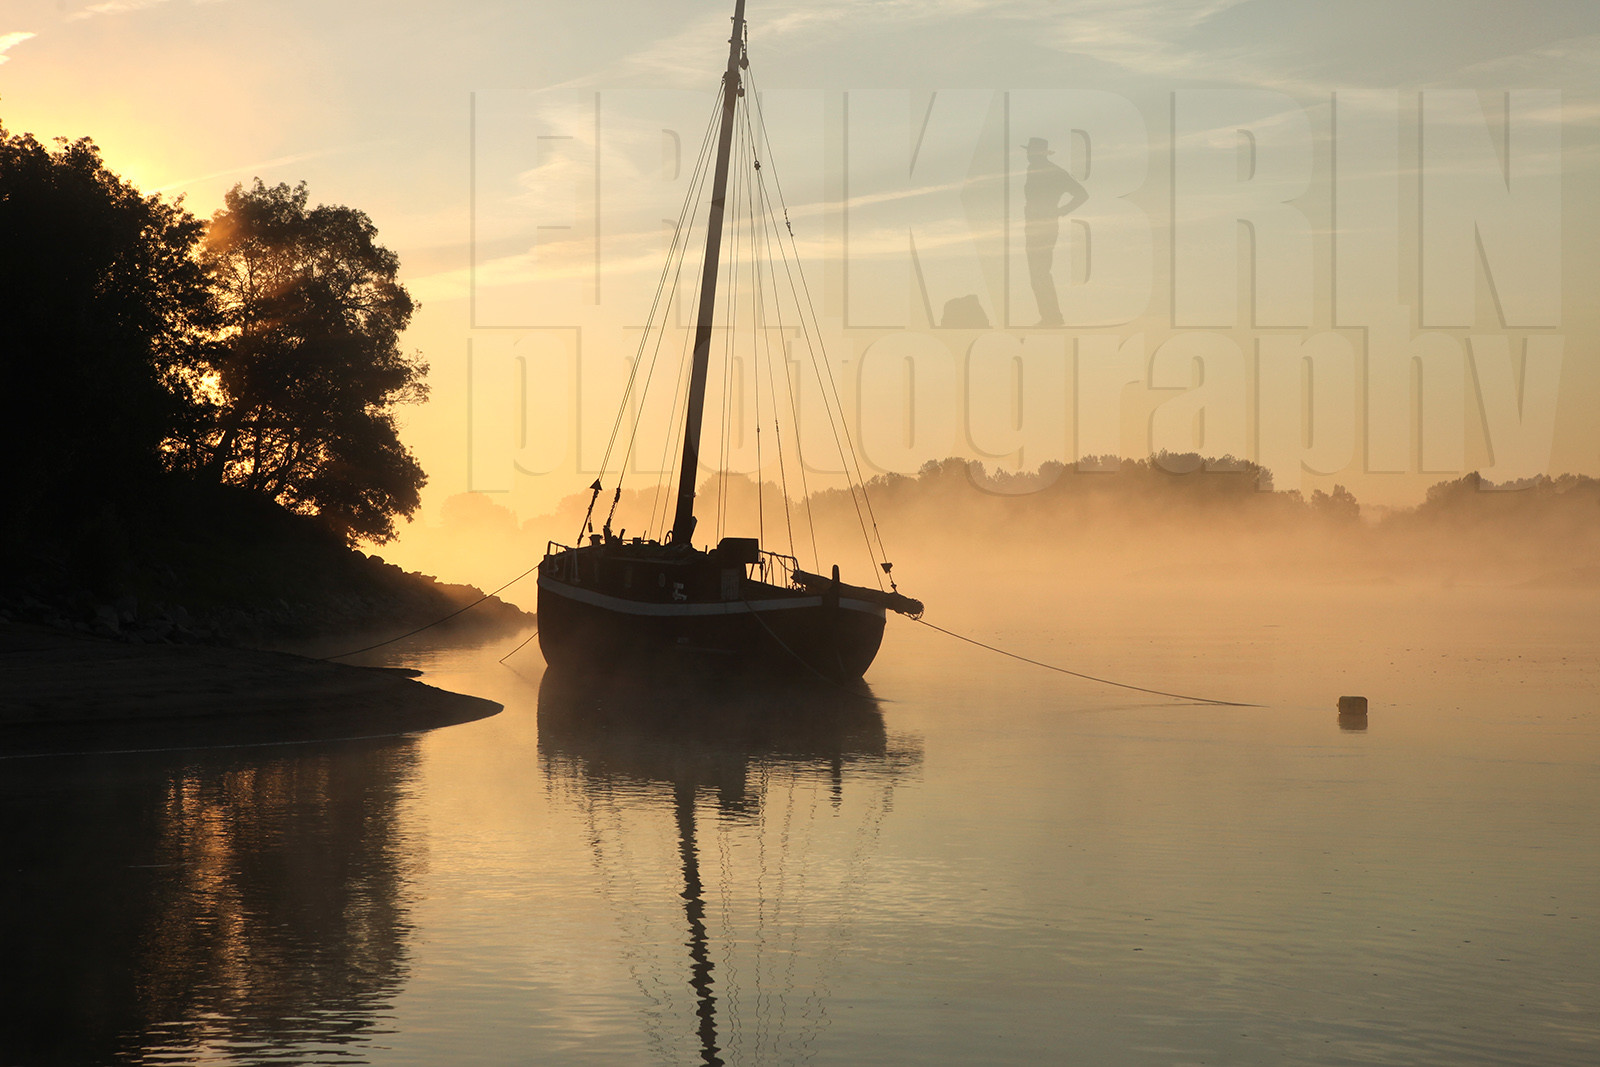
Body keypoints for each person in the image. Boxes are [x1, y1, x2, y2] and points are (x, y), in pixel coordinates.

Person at [1022, 137, 1087, 327]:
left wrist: (1061, 210)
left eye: (1031, 152)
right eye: (1029, 152)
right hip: (1035, 225)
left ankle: (1052, 317)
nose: (1028, 155)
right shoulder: (1035, 170)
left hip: (1043, 226)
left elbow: (1082, 194)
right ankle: (1049, 316)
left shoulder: (1053, 172)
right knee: (1038, 273)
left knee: (1040, 272)